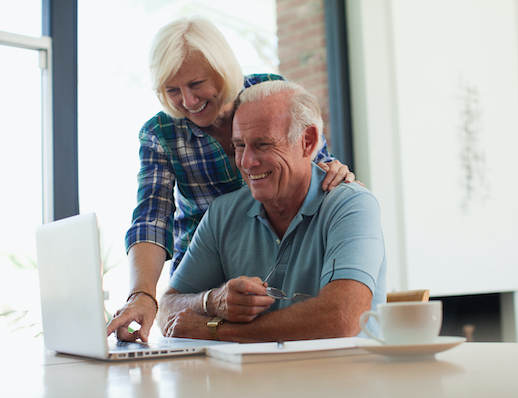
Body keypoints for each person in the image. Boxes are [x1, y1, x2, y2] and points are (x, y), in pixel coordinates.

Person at [107, 16, 356, 342]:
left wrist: (335, 172)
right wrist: (142, 294)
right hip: (202, 281)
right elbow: (151, 219)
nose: (188, 101)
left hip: (278, 269)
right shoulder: (161, 133)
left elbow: (308, 164)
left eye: (196, 84)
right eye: (172, 90)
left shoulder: (267, 95)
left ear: (222, 71)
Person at [157, 80, 386, 342]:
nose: (246, 162)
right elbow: (166, 309)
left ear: (308, 142)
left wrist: (217, 331)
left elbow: (343, 318)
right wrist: (210, 302)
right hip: (255, 380)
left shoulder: (351, 205)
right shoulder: (223, 213)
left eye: (263, 144)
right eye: (240, 145)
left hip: (345, 378)